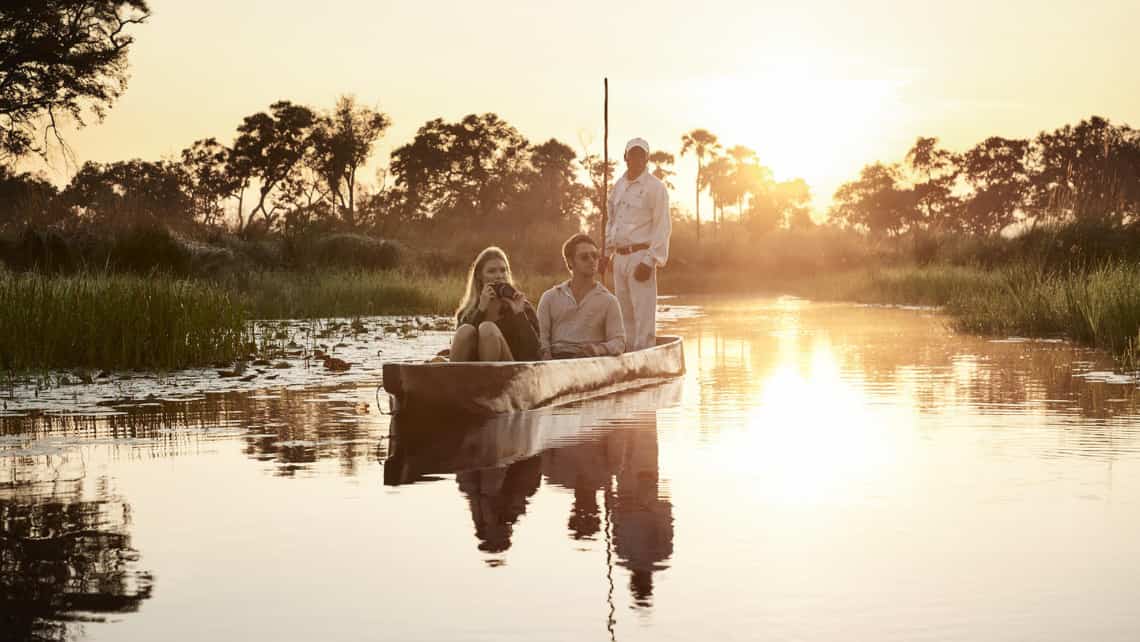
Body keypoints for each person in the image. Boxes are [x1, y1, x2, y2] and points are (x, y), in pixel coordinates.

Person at [602, 137, 671, 352]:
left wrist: (650, 260)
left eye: (642, 154)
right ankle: (629, 356)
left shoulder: (655, 187)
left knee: (643, 313)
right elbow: (611, 221)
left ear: (647, 158)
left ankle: (645, 356)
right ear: (625, 157)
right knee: (623, 313)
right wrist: (605, 253)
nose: (637, 158)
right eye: (633, 154)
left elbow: (662, 226)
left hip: (641, 256)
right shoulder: (618, 186)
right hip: (619, 258)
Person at [536, 234, 625, 360]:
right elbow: (541, 338)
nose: (592, 260)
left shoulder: (609, 301)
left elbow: (619, 343)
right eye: (584, 257)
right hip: (556, 361)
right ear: (570, 262)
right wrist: (546, 357)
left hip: (590, 363)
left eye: (595, 256)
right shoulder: (549, 297)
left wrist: (597, 349)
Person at [451, 246, 540, 362]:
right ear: (479, 276)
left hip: (512, 370)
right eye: (492, 271)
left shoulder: (523, 306)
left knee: (488, 328)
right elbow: (464, 346)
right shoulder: (467, 312)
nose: (499, 275)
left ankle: (488, 378)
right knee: (465, 330)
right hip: (473, 372)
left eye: (503, 270)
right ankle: (453, 378)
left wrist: (519, 314)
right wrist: (480, 310)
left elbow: (534, 351)